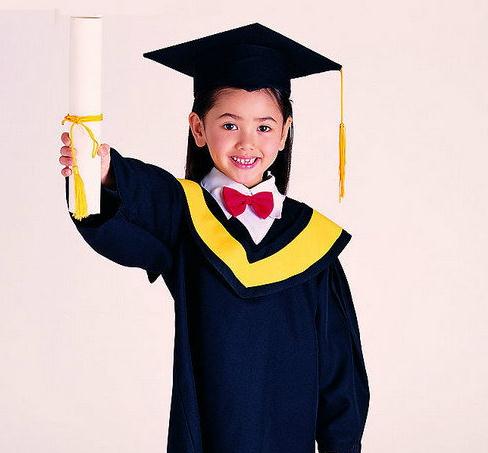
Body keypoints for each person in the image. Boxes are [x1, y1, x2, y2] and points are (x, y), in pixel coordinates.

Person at [59, 23, 370, 453]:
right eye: (229, 124)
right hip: (207, 436)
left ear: (285, 132)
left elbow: (339, 372)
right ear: (198, 128)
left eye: (264, 127)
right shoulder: (184, 215)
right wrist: (106, 172)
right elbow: (143, 202)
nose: (247, 142)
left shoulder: (313, 240)